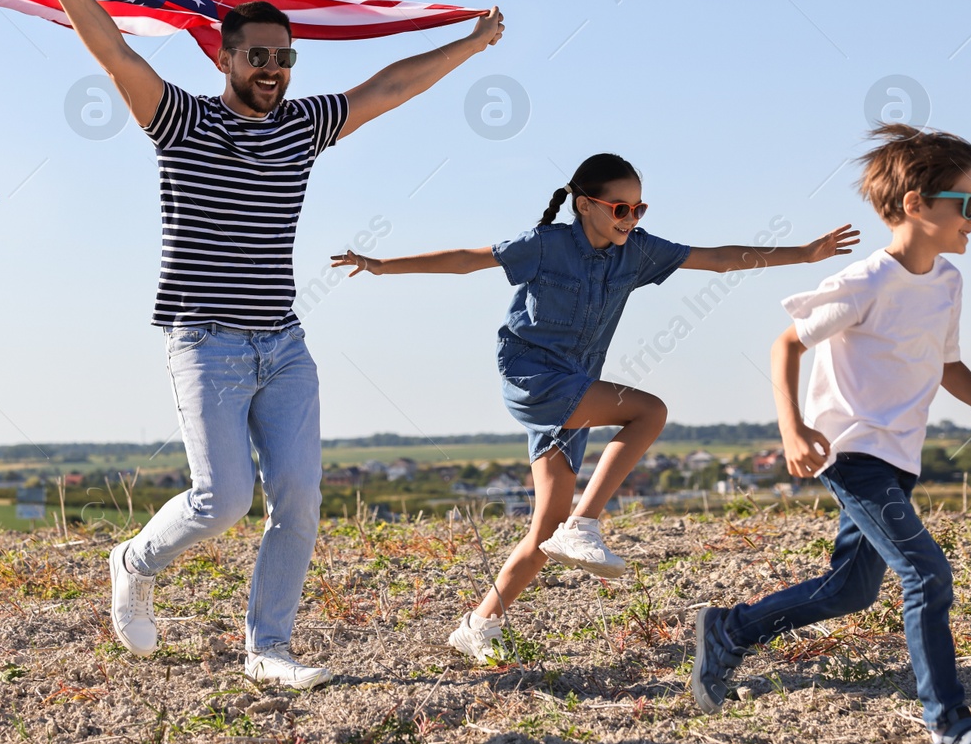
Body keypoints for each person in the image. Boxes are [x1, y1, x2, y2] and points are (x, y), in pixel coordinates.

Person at [11, 0, 504, 689]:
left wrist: (470, 46)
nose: (272, 70)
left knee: (299, 500)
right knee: (224, 498)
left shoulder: (303, 127)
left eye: (284, 58)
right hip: (204, 341)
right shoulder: (181, 121)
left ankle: (268, 647)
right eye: (258, 57)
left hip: (284, 344)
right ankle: (134, 560)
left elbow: (389, 87)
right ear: (224, 57)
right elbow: (113, 51)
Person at [331, 152, 858, 663]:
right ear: (586, 204)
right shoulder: (544, 244)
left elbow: (718, 259)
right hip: (532, 375)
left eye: (639, 208)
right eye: (620, 207)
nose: (631, 217)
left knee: (545, 528)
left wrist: (803, 254)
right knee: (648, 411)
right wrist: (380, 265)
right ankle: (587, 524)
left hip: (577, 386)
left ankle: (479, 624)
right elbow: (469, 260)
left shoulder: (640, 252)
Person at [691, 125, 971, 744]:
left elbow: (946, 361)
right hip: (852, 450)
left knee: (849, 588)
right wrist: (793, 429)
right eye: (967, 205)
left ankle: (730, 629)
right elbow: (786, 345)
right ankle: (951, 728)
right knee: (925, 572)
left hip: (900, 456)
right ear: (915, 205)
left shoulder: (948, 281)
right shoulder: (867, 279)